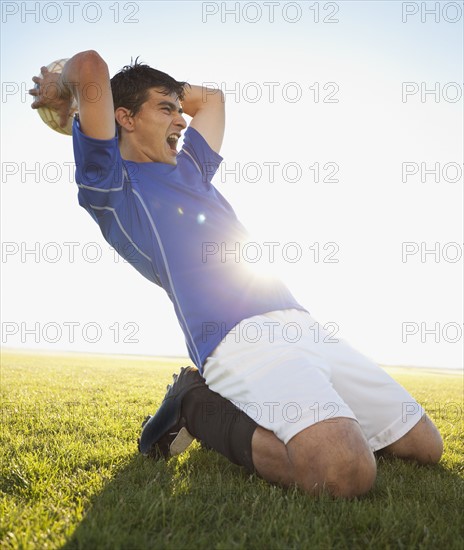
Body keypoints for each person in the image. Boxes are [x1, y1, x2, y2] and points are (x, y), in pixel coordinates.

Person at [30, 50, 443, 499]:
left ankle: (299, 417)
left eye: (176, 106)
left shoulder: (192, 170)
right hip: (233, 338)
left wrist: (163, 86)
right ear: (124, 119)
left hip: (297, 319)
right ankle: (196, 404)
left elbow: (211, 100)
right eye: (165, 108)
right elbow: (90, 65)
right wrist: (66, 92)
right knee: (343, 475)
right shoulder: (111, 182)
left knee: (424, 446)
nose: (181, 119)